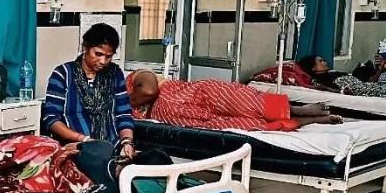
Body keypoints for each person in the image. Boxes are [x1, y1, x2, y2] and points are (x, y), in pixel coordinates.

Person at [126, 70, 341, 131]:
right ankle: (309, 120)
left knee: (250, 103)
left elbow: (150, 91)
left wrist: (122, 101)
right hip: (192, 118)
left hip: (201, 94)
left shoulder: (135, 77)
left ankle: (299, 109)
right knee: (247, 124)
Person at [42, 23, 136, 159]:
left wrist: (127, 143)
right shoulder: (63, 74)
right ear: (85, 47)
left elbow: (124, 114)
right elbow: (51, 119)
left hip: (112, 146)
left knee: (156, 157)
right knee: (99, 156)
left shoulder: (115, 74)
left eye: (108, 56)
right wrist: (84, 140)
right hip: (77, 147)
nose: (103, 61)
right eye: (98, 54)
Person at [298, 55, 386, 98]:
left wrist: (381, 69)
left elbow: (368, 83)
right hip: (363, 91)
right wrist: (341, 91)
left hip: (368, 87)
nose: (325, 62)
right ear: (313, 67)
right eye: (321, 61)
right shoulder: (318, 80)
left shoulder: (332, 73)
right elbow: (322, 88)